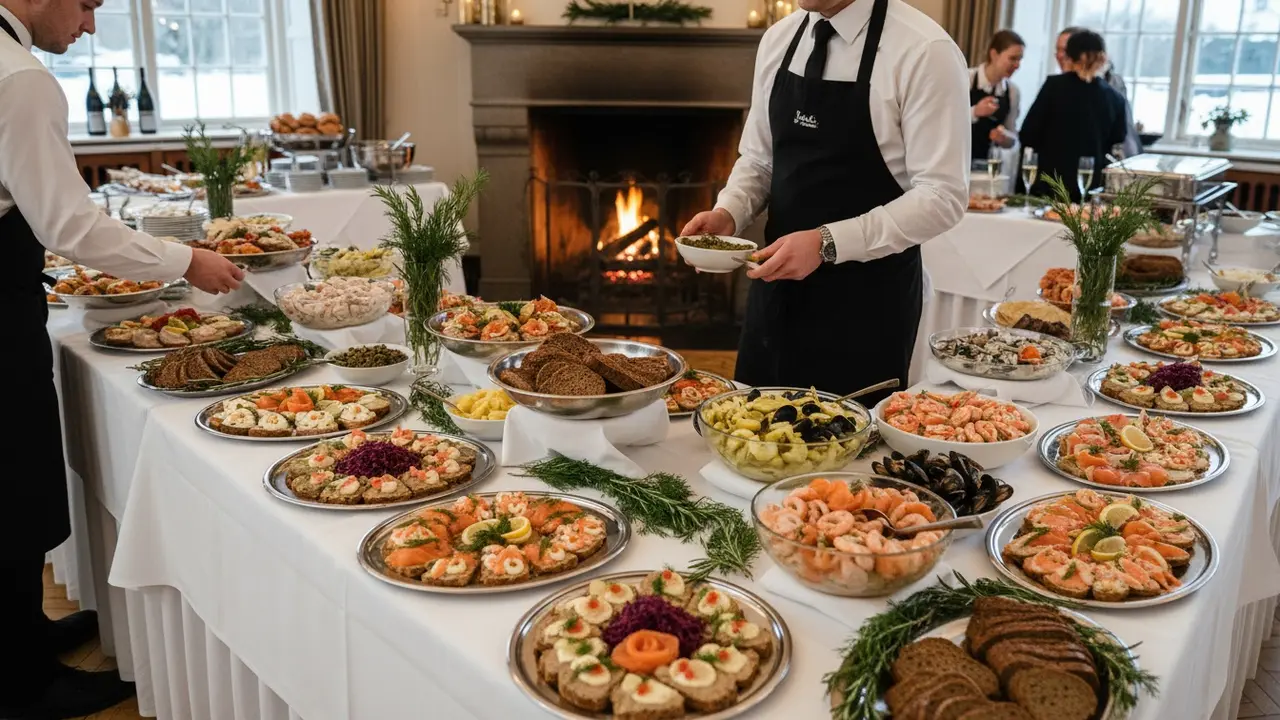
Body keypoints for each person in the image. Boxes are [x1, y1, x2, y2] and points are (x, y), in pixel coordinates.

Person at [0, 1, 244, 717]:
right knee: (11, 474)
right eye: (86, 5)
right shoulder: (20, 76)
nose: (89, 26)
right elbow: (69, 224)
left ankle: (25, 639)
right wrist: (185, 260)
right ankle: (21, 686)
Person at [680, 0, 969, 404]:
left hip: (865, 307)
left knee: (847, 458)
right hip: (774, 292)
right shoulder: (779, 38)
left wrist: (826, 242)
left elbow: (943, 196)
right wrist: (730, 211)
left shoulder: (925, 51)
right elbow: (760, 159)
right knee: (748, 440)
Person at [1021, 29, 1127, 202]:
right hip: (1089, 188)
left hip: (1050, 186)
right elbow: (1117, 138)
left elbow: (1028, 134)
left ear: (1069, 56)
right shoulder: (1115, 98)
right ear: (1102, 58)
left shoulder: (1054, 87)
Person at [1056, 26, 1141, 158]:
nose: (1062, 56)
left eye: (1066, 51)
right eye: (1058, 50)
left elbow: (1121, 133)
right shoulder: (1059, 85)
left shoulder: (1110, 85)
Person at [970, 29, 1024, 161]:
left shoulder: (1012, 91)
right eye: (1012, 58)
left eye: (1020, 59)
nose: (1017, 65)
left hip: (989, 166)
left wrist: (1005, 137)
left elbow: (1013, 138)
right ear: (994, 54)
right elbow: (945, 121)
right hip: (958, 162)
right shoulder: (966, 79)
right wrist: (975, 111)